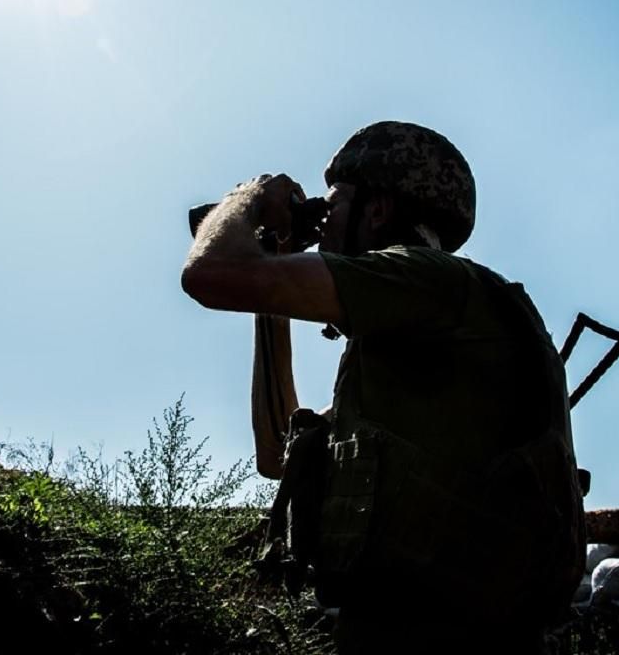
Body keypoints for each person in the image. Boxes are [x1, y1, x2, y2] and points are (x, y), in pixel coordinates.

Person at [181, 121, 585, 653]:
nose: (322, 227)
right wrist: (273, 292)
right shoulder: (409, 343)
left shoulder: (430, 279)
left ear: (377, 211)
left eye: (334, 206)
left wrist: (247, 198)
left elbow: (209, 274)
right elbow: (275, 455)